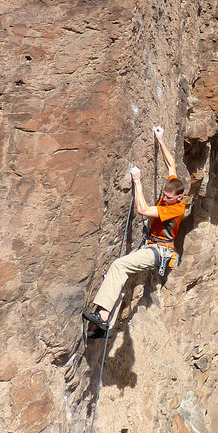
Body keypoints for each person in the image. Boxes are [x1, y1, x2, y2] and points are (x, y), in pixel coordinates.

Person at [82, 127, 186, 333]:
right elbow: (171, 164)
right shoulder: (174, 187)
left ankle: (102, 317)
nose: (164, 199)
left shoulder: (176, 208)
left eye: (168, 197)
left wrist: (137, 182)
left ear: (179, 197)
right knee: (120, 276)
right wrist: (161, 140)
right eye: (164, 195)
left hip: (159, 251)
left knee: (119, 267)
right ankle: (106, 328)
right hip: (152, 246)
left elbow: (142, 209)